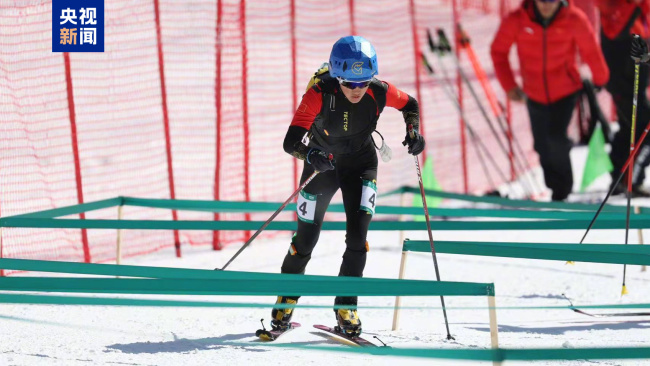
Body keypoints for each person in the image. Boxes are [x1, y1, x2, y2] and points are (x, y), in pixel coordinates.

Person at [270, 35, 425, 337]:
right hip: (322, 168)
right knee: (306, 238)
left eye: (364, 83)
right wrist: (311, 154)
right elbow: (291, 142)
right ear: (337, 76)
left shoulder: (379, 91)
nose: (357, 90)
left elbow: (411, 105)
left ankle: (346, 306)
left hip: (361, 165)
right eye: (349, 84)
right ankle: (286, 300)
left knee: (358, 236)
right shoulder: (318, 93)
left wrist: (414, 131)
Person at [491, 0, 609, 201]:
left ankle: (563, 190)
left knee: (556, 138)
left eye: (552, 0)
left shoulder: (574, 19)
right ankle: (555, 188)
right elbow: (498, 51)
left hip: (566, 91)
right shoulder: (517, 20)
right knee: (541, 145)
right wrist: (509, 85)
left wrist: (601, 78)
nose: (547, 5)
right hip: (533, 93)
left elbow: (590, 49)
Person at [597, 0, 650, 197]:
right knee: (641, 128)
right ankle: (630, 181)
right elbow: (615, 30)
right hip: (623, 82)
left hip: (636, 79)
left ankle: (621, 179)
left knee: (631, 127)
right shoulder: (616, 8)